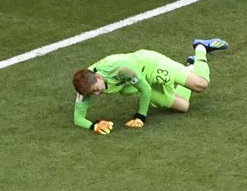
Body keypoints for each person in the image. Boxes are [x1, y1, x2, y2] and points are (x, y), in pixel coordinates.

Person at [72, 38, 228, 133]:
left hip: (152, 65)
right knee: (183, 106)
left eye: (97, 90)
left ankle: (201, 48)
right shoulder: (85, 85)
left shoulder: (121, 68)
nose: (98, 94)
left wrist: (140, 117)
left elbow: (145, 88)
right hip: (140, 82)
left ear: (98, 77)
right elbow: (78, 119)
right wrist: (94, 126)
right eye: (93, 94)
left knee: (201, 85)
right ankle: (190, 67)